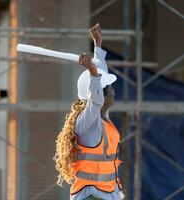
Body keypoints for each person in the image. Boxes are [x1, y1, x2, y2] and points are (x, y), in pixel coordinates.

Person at [54, 23, 124, 200]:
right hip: (91, 196)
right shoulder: (87, 120)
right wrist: (92, 72)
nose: (113, 91)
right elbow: (95, 98)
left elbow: (101, 73)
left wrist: (98, 45)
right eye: (109, 88)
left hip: (106, 195)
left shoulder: (101, 118)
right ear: (100, 92)